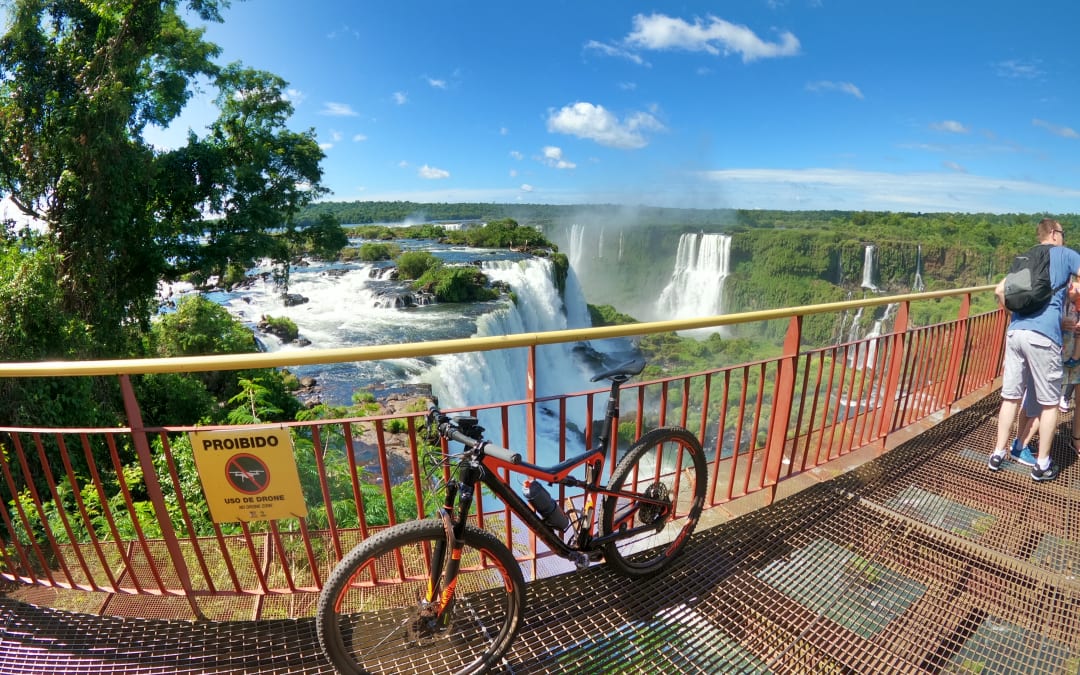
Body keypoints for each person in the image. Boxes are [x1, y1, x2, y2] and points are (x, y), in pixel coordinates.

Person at [988, 218, 1080, 481]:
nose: (1063, 237)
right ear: (1053, 233)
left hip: (1015, 333)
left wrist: (1013, 315)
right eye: (1063, 232)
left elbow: (999, 290)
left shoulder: (1025, 256)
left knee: (1011, 397)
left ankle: (997, 453)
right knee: (1050, 403)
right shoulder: (1065, 254)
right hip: (1044, 337)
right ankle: (1042, 464)